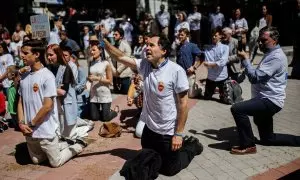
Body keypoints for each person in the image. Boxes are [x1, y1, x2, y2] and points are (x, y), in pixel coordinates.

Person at [103, 34, 203, 176]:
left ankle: (192, 146)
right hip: (149, 131)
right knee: (151, 162)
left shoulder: (176, 71)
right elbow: (120, 57)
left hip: (168, 132)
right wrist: (105, 42)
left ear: (163, 51)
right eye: (146, 45)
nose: (147, 48)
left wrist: (178, 134)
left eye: (151, 45)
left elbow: (183, 105)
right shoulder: (144, 65)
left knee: (169, 170)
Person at [230, 27, 300, 155]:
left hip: (269, 100)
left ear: (274, 40)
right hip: (264, 99)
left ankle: (248, 145)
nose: (260, 43)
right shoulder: (270, 53)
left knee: (237, 109)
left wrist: (246, 60)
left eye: (264, 40)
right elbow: (256, 73)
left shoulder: (276, 57)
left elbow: (255, 78)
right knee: (268, 139)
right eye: (259, 40)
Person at [18, 40, 85, 167]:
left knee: (55, 162)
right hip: (29, 132)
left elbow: (47, 106)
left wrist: (31, 124)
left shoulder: (47, 76)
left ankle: (78, 145)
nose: (22, 56)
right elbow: (20, 102)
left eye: (25, 53)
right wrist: (21, 123)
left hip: (44, 130)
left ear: (37, 54)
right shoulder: (24, 76)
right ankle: (63, 143)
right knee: (37, 160)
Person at [46, 44, 78, 140]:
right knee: (58, 129)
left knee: (68, 131)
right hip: (55, 104)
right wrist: (56, 88)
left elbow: (63, 92)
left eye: (51, 55)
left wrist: (50, 88)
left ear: (58, 55)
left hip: (65, 104)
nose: (49, 57)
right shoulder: (48, 68)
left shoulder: (66, 68)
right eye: (47, 55)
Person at [88, 44, 118, 122]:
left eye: (94, 50)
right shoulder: (91, 62)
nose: (92, 52)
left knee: (105, 119)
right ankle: (104, 111)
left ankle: (114, 111)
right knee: (94, 118)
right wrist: (89, 79)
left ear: (100, 51)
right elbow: (89, 76)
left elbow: (110, 81)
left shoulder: (106, 63)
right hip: (94, 93)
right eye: (91, 50)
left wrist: (97, 78)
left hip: (104, 93)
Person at [203, 27, 229, 101]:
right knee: (206, 98)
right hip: (211, 77)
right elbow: (206, 61)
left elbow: (223, 62)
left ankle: (222, 94)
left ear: (220, 36)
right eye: (212, 35)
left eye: (215, 35)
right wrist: (214, 63)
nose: (213, 37)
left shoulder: (225, 47)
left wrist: (210, 64)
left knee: (225, 100)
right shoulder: (207, 48)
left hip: (222, 77)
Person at [176, 28, 202, 98]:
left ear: (187, 36)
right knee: (179, 93)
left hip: (190, 74)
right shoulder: (178, 47)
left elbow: (201, 56)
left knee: (190, 95)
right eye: (179, 35)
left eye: (182, 35)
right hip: (181, 75)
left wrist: (194, 67)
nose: (180, 36)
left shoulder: (192, 46)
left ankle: (199, 89)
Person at [111, 28, 132, 94]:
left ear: (121, 36)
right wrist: (113, 70)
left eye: (116, 34)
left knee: (125, 94)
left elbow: (127, 60)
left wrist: (119, 70)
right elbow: (110, 59)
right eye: (113, 34)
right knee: (116, 93)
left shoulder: (126, 46)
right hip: (115, 75)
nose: (114, 36)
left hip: (124, 74)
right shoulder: (113, 45)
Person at [6, 65, 20, 131]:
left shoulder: (17, 85)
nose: (6, 75)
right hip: (12, 110)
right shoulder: (12, 84)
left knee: (19, 127)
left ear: (13, 74)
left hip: (16, 111)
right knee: (16, 126)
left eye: (7, 73)